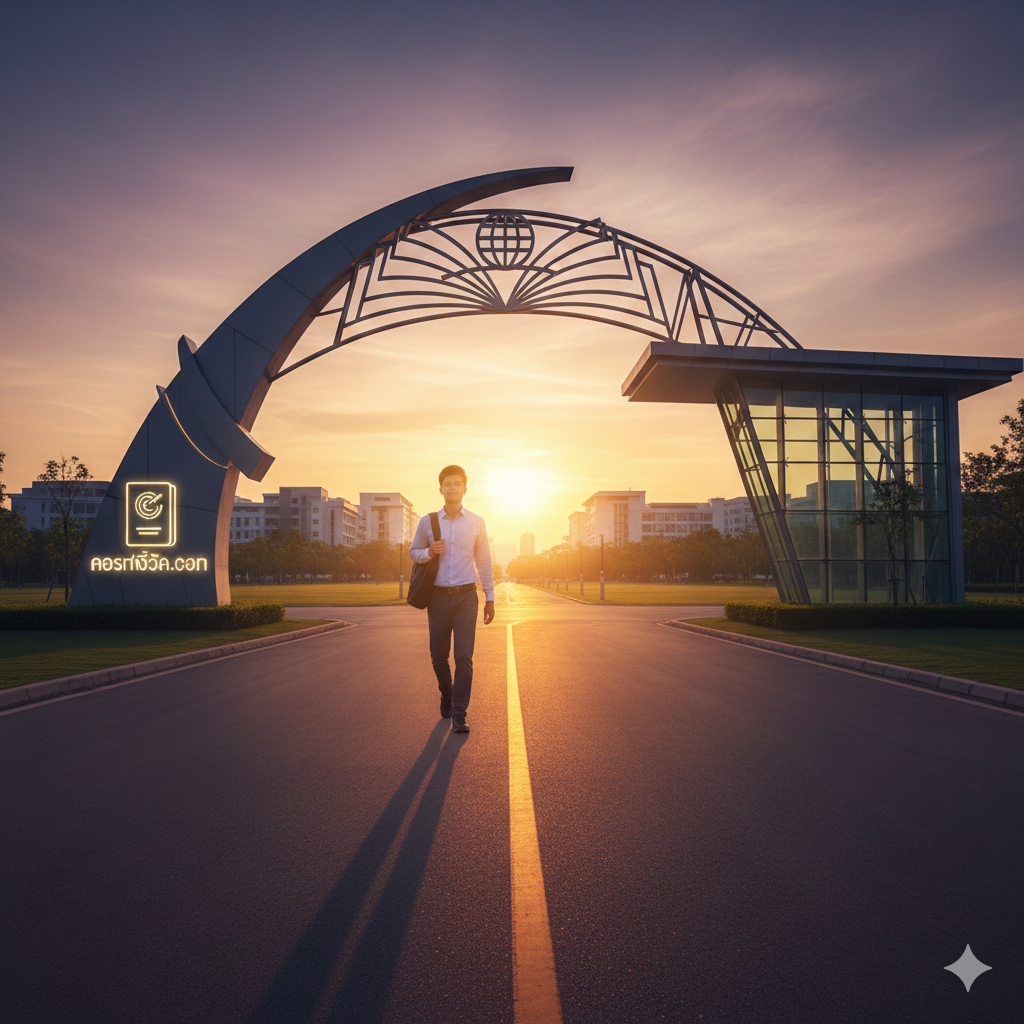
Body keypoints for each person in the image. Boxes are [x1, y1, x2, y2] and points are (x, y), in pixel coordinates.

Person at [409, 465, 495, 733]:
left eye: (457, 483)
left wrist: (490, 597)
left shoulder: (477, 522)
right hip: (437, 597)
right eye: (447, 484)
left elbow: (483, 561)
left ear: (465, 488)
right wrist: (429, 552)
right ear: (440, 489)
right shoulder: (428, 521)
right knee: (438, 657)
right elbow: (413, 552)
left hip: (467, 596)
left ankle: (459, 711)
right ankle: (446, 693)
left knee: (464, 656)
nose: (452, 488)